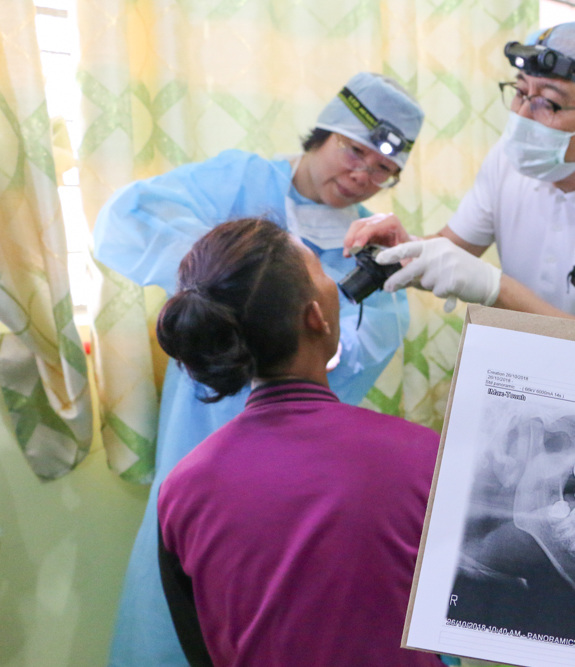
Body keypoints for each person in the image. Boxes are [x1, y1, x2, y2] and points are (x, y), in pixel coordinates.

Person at [94, 72, 424, 666]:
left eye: (382, 170)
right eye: (355, 151)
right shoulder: (240, 181)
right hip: (200, 430)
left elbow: (365, 342)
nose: (361, 176)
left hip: (299, 453)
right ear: (323, 133)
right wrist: (231, 284)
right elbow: (125, 220)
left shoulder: (371, 245)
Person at [153, 217, 442, 666]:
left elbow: (200, 647)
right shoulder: (421, 456)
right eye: (322, 273)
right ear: (316, 317)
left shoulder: (182, 488)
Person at [344, 21, 575, 333]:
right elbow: (454, 247)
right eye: (521, 92)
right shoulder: (510, 162)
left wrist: (495, 288)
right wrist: (406, 248)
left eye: (549, 103)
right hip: (514, 374)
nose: (522, 116)